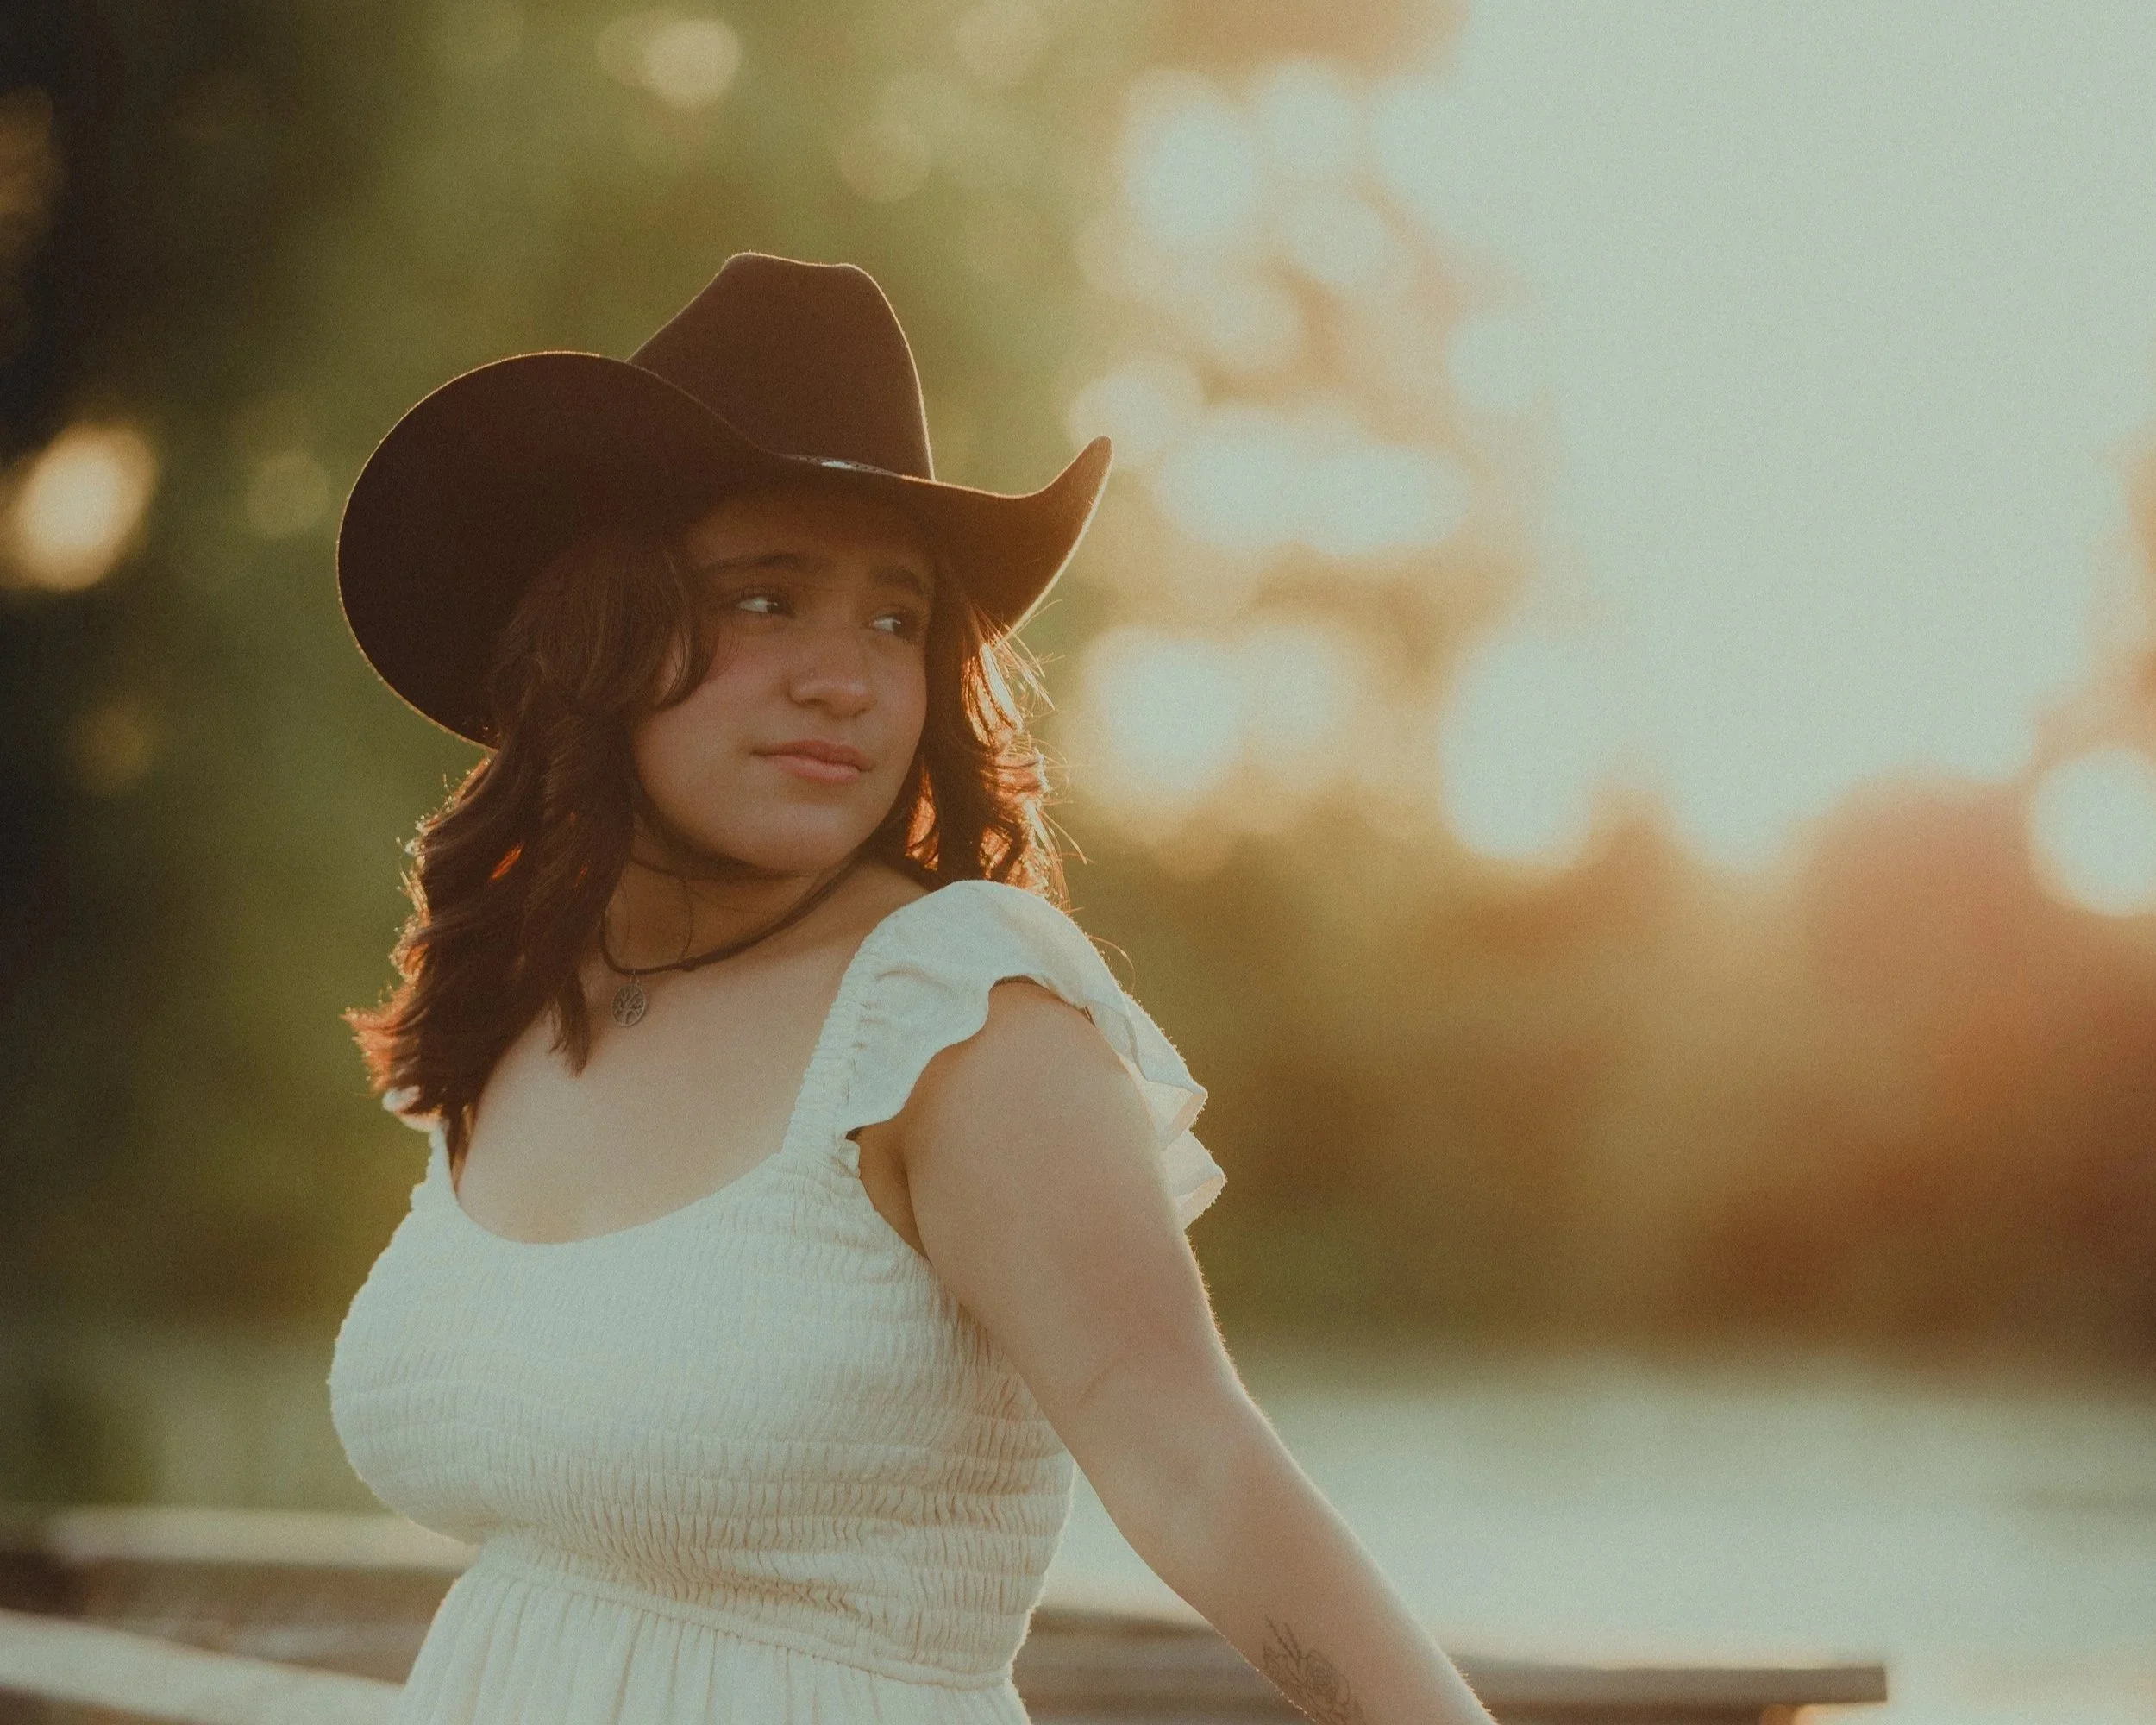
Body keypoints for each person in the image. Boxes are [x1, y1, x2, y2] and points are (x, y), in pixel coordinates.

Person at [328, 251, 1495, 1725]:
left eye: (896, 619)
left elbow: (1188, 1456)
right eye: (767, 600)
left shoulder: (954, 1011)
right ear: (592, 639)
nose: (848, 679)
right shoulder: (527, 996)